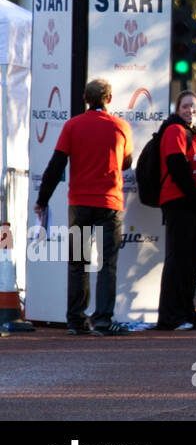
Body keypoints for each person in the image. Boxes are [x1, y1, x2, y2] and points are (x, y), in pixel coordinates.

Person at [35, 77, 134, 336]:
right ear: (109, 100)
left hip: (79, 204)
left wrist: (42, 200)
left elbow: (56, 166)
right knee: (107, 264)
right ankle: (102, 319)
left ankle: (75, 320)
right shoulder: (120, 126)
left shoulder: (72, 126)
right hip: (108, 204)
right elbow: (126, 163)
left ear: (85, 99)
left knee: (78, 262)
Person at [155, 91, 196, 331]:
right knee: (178, 260)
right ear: (177, 109)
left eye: (194, 106)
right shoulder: (174, 131)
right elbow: (177, 165)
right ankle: (170, 317)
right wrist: (195, 198)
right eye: (185, 106)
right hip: (179, 202)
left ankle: (188, 313)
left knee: (191, 263)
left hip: (194, 204)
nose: (190, 110)